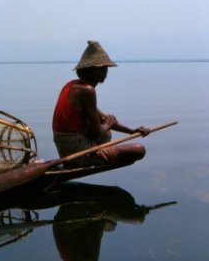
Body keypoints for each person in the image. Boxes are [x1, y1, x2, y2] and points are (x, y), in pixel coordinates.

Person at [52, 40, 149, 168]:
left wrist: (132, 131)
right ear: (90, 70)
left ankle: (99, 152)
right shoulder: (87, 90)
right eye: (102, 68)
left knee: (105, 131)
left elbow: (101, 118)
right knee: (139, 149)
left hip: (67, 145)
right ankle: (88, 159)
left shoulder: (73, 85)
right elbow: (99, 131)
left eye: (106, 68)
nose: (105, 72)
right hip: (75, 151)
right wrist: (108, 124)